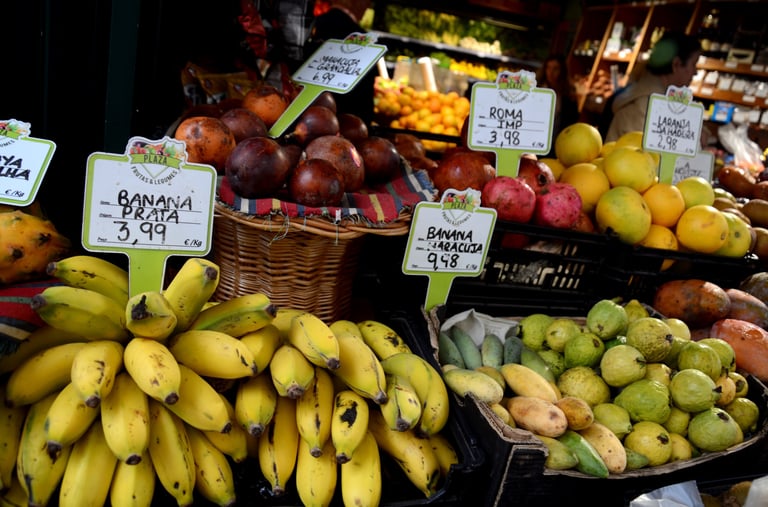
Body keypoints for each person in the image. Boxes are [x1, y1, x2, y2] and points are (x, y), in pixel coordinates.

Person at [604, 31, 701, 142]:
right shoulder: (644, 107)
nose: (695, 72)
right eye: (693, 64)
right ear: (676, 64)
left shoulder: (646, 95)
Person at [305, 0, 375, 122]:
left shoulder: (311, 27)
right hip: (345, 125)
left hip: (305, 116)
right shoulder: (364, 40)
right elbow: (364, 102)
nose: (368, 6)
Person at [536, 54, 580, 157]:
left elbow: (572, 121)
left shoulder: (569, 96)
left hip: (555, 145)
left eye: (555, 69)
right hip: (534, 143)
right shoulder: (536, 90)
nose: (551, 73)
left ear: (562, 72)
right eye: (548, 68)